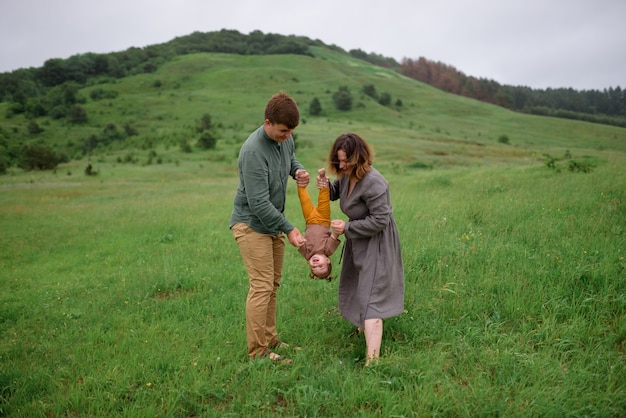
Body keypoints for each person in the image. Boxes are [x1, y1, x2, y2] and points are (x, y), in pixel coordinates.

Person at [230, 92, 309, 362]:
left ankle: (271, 339)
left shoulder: (285, 139)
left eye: (291, 132)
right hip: (251, 224)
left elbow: (290, 158)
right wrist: (289, 228)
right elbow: (259, 203)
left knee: (273, 284)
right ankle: (259, 352)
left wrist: (297, 170)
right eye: (283, 131)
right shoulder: (253, 151)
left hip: (272, 222)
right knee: (262, 285)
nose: (288, 136)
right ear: (268, 122)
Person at [323, 132, 404, 365]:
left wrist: (347, 227)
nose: (343, 165)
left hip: (377, 242)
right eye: (339, 160)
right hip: (359, 239)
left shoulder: (375, 183)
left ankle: (373, 360)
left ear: (360, 158)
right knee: (359, 285)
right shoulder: (348, 175)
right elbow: (337, 192)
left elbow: (380, 220)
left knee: (372, 294)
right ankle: (363, 329)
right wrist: (323, 186)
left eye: (347, 160)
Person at [297, 168, 342, 281]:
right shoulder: (328, 250)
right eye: (321, 266)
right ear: (327, 260)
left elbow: (299, 242)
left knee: (304, 199)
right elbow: (334, 236)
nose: (316, 264)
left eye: (313, 267)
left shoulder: (307, 254)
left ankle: (300, 179)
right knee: (323, 199)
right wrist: (336, 231)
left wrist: (299, 240)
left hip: (309, 220)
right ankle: (322, 178)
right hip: (323, 220)